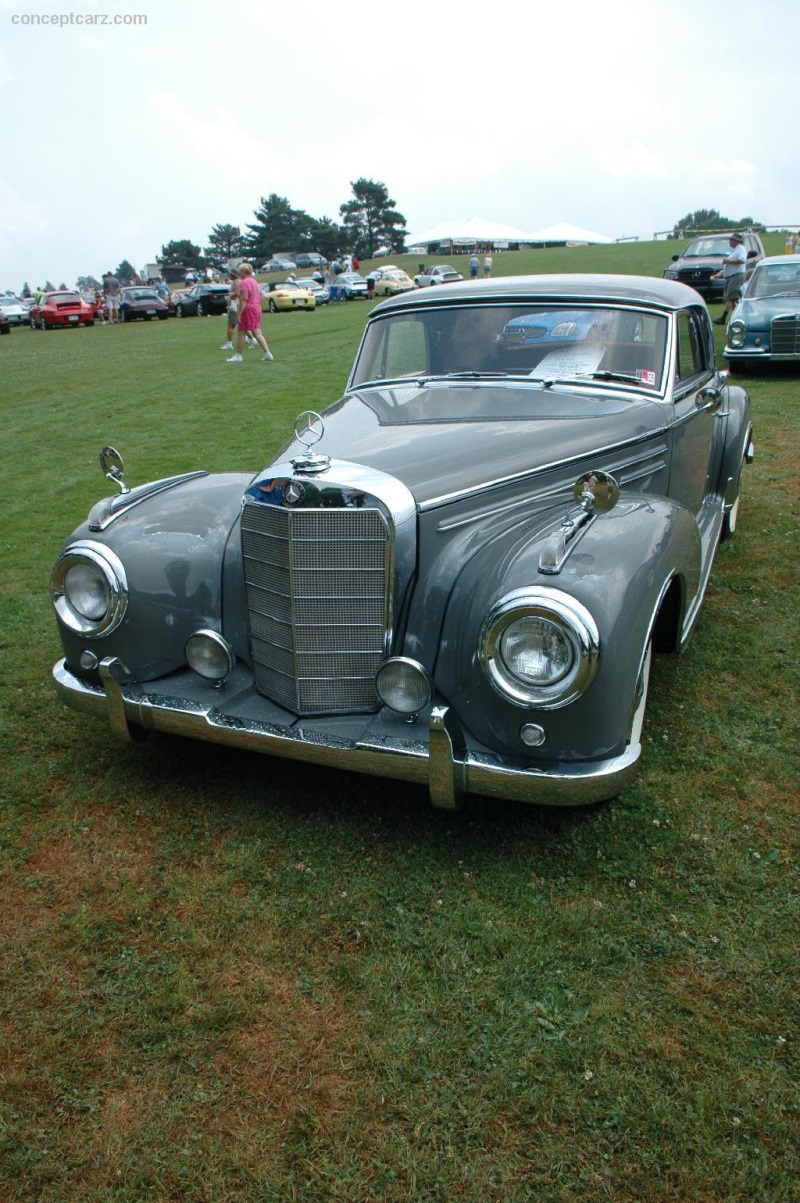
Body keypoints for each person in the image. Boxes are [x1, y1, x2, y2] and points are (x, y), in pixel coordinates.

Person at [226, 262, 273, 362]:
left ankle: (238, 355)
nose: (239, 272)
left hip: (248, 309)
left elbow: (244, 299)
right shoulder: (254, 281)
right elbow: (258, 295)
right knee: (257, 331)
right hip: (257, 308)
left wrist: (239, 313)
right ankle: (267, 353)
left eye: (240, 270)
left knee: (241, 332)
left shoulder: (244, 282)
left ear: (243, 271)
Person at [712, 233, 747, 324]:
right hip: (731, 277)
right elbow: (730, 266)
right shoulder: (735, 250)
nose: (729, 241)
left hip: (736, 277)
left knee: (730, 298)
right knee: (733, 299)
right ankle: (736, 317)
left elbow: (742, 260)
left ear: (736, 241)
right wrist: (720, 274)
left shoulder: (741, 249)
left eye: (731, 240)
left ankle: (723, 318)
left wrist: (728, 261)